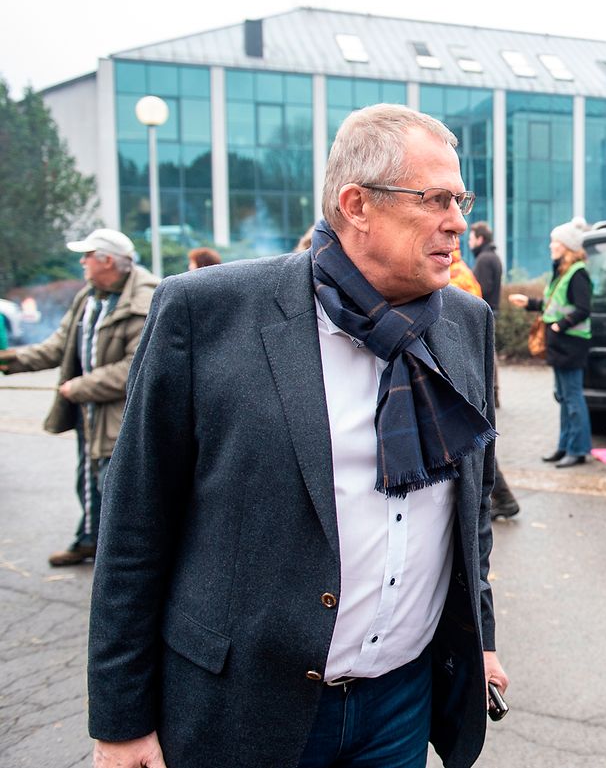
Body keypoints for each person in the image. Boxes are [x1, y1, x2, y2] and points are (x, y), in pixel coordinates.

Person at [87, 104, 508, 768]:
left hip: (400, 705)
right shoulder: (205, 312)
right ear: (357, 204)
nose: (458, 219)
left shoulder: (466, 323)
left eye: (461, 198)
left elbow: (469, 506)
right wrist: (120, 720)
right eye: (436, 199)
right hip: (248, 708)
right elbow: (135, 525)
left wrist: (478, 636)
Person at [0, 228, 158, 567]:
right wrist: (11, 360)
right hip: (89, 414)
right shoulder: (90, 297)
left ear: (107, 261)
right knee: (87, 479)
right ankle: (89, 540)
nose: (82, 262)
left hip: (120, 415)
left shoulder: (144, 300)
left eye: (87, 255)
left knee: (113, 485)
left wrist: (81, 387)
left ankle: (121, 561)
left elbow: (137, 365)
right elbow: (59, 345)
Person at [508, 217, 592, 468]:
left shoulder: (578, 274)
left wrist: (559, 326)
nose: (551, 246)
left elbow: (583, 308)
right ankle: (564, 446)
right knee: (564, 397)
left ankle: (577, 450)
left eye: (555, 241)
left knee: (573, 397)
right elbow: (553, 305)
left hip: (571, 345)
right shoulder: (562, 272)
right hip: (560, 345)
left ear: (567, 246)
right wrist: (530, 304)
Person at [468, 221, 520, 519]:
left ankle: (500, 497)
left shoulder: (485, 259)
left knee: (477, 435)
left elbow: (480, 294)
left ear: (480, 237)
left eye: (472, 236)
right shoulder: (490, 257)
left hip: (481, 324)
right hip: (485, 322)